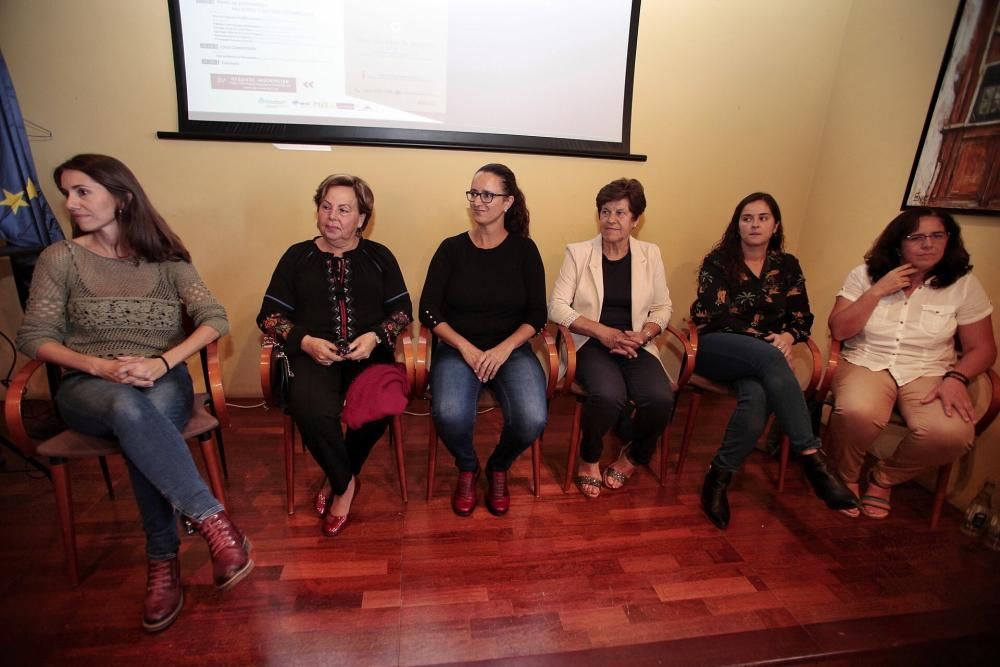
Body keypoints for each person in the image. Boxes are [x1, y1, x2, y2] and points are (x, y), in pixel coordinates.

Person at [16, 154, 252, 633]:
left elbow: (215, 319)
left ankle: (162, 563)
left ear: (121, 198)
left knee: (141, 423)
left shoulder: (167, 258)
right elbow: (34, 336)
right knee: (128, 408)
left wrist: (161, 362)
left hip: (162, 378)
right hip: (88, 386)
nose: (71, 202)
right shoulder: (60, 258)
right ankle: (211, 521)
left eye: (83, 191)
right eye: (67, 193)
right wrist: (100, 366)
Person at [690, 192, 858, 529]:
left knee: (758, 397)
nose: (754, 225)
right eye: (747, 218)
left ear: (775, 225)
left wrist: (787, 337)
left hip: (766, 357)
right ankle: (812, 457)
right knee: (768, 361)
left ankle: (718, 478)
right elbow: (717, 315)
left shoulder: (788, 266)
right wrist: (770, 343)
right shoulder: (718, 261)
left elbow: (801, 317)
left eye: (762, 218)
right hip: (717, 346)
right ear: (737, 225)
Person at [257, 174, 412, 536]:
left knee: (382, 402)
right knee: (310, 408)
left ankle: (336, 478)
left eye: (344, 209)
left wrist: (376, 336)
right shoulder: (297, 256)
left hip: (367, 354)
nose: (332, 217)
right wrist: (304, 340)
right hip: (313, 355)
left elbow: (402, 311)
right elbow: (269, 316)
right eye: (326, 207)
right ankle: (345, 484)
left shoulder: (379, 256)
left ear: (361, 218)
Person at [827, 208, 995, 519]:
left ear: (949, 241)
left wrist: (957, 377)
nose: (927, 244)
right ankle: (846, 475)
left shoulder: (964, 284)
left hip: (929, 371)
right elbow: (839, 330)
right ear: (898, 243)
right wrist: (878, 291)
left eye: (936, 236)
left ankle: (884, 478)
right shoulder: (864, 275)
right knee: (857, 411)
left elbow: (983, 348)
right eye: (916, 237)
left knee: (953, 434)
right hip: (868, 361)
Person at [418, 163, 548, 517]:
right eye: (474, 193)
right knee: (448, 414)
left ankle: (498, 466)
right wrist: (464, 347)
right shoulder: (451, 249)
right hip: (460, 349)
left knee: (532, 418)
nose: (478, 201)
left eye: (487, 194)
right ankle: (468, 466)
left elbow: (537, 315)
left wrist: (505, 348)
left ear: (507, 202)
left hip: (511, 350)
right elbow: (427, 310)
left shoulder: (524, 251)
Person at [549, 178, 674, 498]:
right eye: (605, 212)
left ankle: (634, 457)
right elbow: (557, 307)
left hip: (636, 343)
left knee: (660, 399)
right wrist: (602, 331)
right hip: (590, 343)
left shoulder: (650, 254)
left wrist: (644, 333)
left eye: (620, 213)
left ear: (635, 219)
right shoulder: (578, 253)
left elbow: (663, 307)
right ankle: (589, 458)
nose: (611, 220)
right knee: (608, 395)